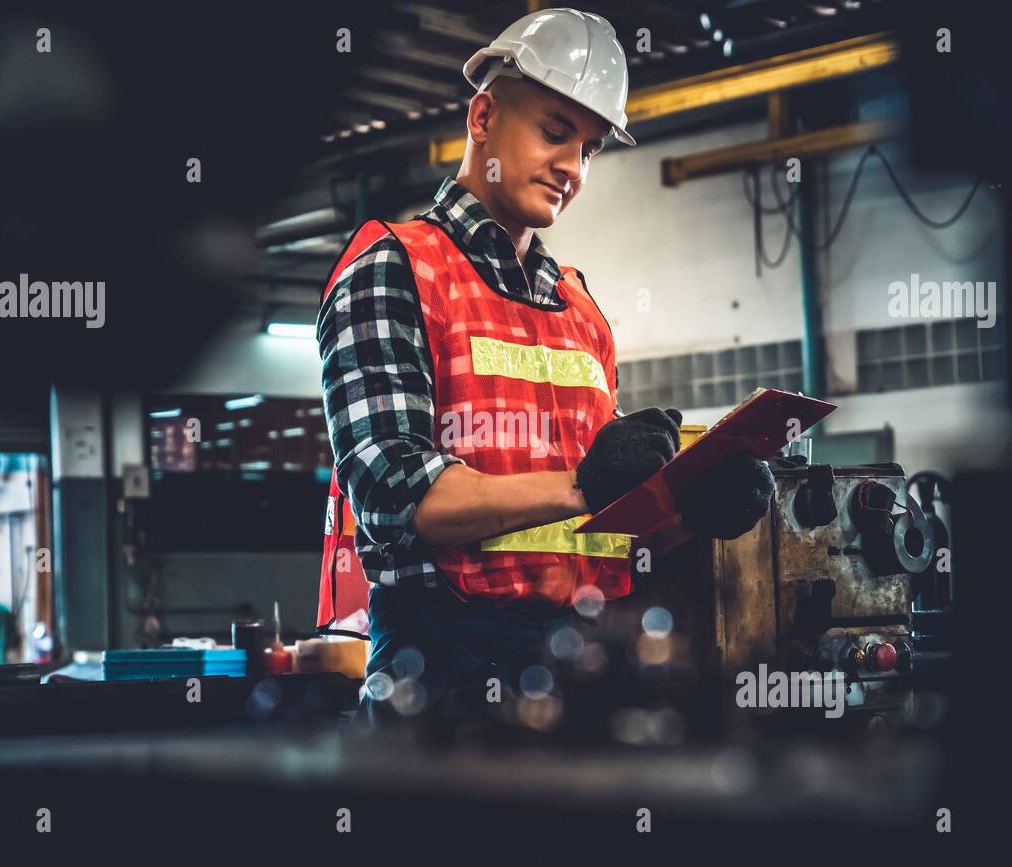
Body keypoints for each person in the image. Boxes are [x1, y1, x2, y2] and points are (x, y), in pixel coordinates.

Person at [316, 8, 774, 725]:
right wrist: (583, 481)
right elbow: (398, 496)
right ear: (483, 115)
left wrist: (689, 508)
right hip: (441, 664)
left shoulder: (580, 308)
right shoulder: (394, 267)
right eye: (555, 132)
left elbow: (597, 526)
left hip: (582, 654)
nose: (573, 169)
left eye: (589, 148)